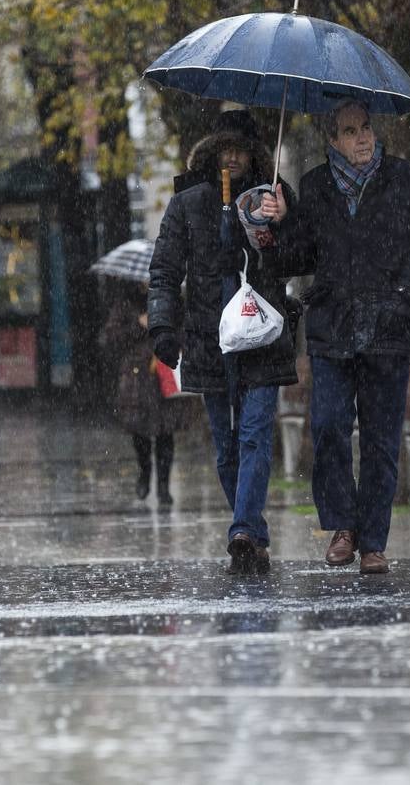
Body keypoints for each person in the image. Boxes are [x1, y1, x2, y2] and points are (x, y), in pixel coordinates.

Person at [259, 98, 410, 574]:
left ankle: (373, 544)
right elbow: (298, 258)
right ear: (332, 139)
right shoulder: (316, 186)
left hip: (388, 330)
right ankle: (342, 526)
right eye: (349, 130)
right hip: (332, 331)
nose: (362, 138)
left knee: (382, 440)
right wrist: (280, 223)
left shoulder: (408, 180)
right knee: (327, 428)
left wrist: (403, 293)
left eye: (366, 127)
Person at [148, 109, 299, 575]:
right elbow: (166, 270)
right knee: (226, 445)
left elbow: (297, 260)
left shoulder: (272, 199)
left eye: (241, 150)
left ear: (254, 156)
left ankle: (241, 531)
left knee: (254, 433)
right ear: (213, 152)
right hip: (208, 337)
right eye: (225, 149)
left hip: (262, 336)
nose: (232, 158)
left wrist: (281, 222)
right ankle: (251, 531)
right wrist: (162, 328)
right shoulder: (189, 204)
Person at [102, 283, 188, 506]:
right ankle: (144, 472)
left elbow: (184, 330)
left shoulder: (171, 299)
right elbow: (111, 337)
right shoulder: (125, 303)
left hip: (164, 370)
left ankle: (163, 486)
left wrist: (165, 332)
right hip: (137, 376)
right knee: (139, 429)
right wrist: (138, 325)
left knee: (165, 431)